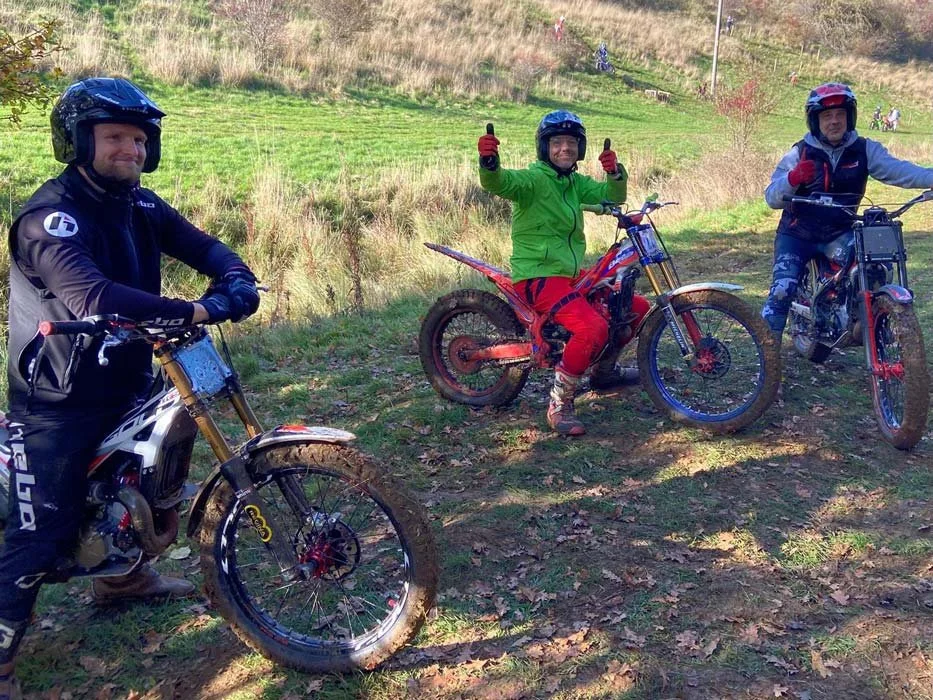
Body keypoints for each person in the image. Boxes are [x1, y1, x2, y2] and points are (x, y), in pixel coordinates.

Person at [0, 77, 260, 700]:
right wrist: (195, 310)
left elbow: (201, 245)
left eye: (140, 140)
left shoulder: (140, 204)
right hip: (57, 396)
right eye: (116, 137)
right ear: (78, 140)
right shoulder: (49, 218)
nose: (131, 150)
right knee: (43, 531)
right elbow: (91, 296)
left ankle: (121, 581)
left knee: (152, 475)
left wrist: (235, 275)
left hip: (129, 371)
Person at [477, 111, 650, 436]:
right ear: (545, 147)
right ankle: (559, 403)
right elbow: (499, 183)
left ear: (579, 148)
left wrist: (614, 173)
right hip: (537, 276)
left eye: (571, 143)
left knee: (636, 307)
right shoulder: (532, 180)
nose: (564, 149)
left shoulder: (574, 183)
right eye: (557, 143)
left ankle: (603, 373)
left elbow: (613, 196)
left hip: (568, 274)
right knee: (591, 328)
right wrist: (489, 162)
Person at [761, 83, 933, 341]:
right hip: (798, 233)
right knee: (781, 291)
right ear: (815, 121)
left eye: (840, 114)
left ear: (849, 117)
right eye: (827, 116)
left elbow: (901, 170)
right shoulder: (800, 152)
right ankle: (767, 354)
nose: (834, 121)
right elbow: (771, 197)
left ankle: (866, 319)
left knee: (877, 265)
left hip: (840, 231)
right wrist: (793, 178)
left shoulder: (864, 149)